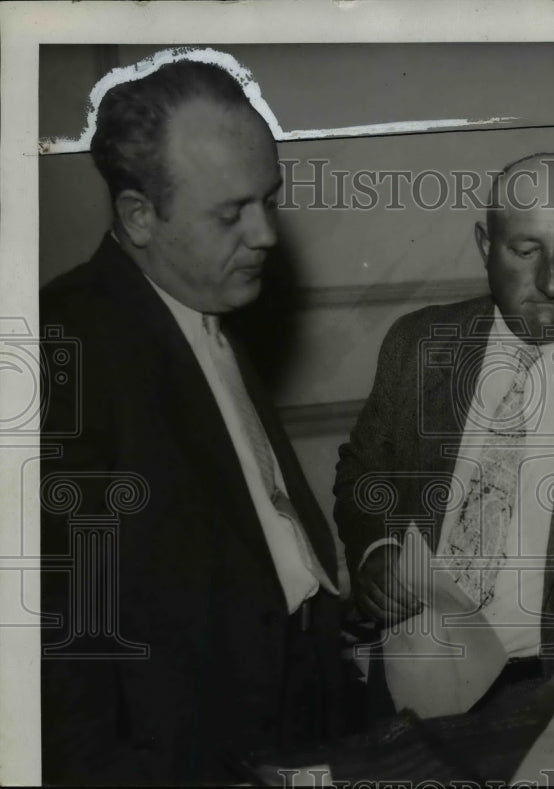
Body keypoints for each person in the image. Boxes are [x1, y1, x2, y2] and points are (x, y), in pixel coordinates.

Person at [40, 57, 343, 784]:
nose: (267, 233)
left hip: (289, 726)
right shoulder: (67, 342)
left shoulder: (201, 293)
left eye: (269, 198)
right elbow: (55, 628)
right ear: (139, 216)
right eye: (231, 211)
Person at [334, 153, 554, 712]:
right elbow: (364, 471)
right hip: (417, 671)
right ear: (485, 244)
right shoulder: (418, 342)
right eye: (525, 252)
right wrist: (376, 552)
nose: (550, 283)